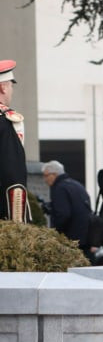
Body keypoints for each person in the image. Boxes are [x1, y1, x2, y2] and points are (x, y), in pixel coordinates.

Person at [41, 160, 93, 260]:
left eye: (46, 175)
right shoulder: (77, 185)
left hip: (70, 239)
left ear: (54, 174)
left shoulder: (59, 188)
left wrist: (55, 233)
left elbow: (63, 214)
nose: (45, 179)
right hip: (84, 237)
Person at [0, 60, 30, 223]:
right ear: (3, 87)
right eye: (11, 86)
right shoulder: (5, 121)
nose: (12, 91)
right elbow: (13, 176)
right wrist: (17, 223)